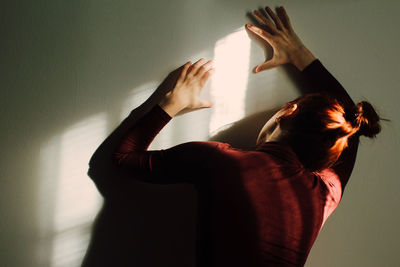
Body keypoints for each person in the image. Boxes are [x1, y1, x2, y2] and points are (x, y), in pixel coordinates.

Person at [88, 5, 384, 267]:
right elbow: (351, 128)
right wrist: (299, 55)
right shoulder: (324, 193)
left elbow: (123, 158)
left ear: (287, 111)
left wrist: (170, 104)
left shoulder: (220, 160)